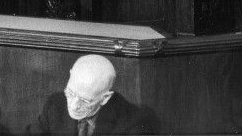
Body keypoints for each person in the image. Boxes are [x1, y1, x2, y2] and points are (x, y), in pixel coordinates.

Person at [27, 54, 157, 135]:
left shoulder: (133, 122)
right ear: (71, 74)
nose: (73, 105)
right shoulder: (55, 104)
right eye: (71, 93)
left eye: (84, 100)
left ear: (105, 98)